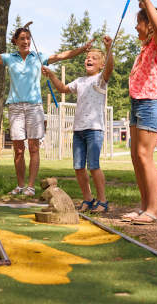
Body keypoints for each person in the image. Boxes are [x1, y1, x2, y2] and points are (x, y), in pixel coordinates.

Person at [0, 22, 92, 196]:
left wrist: (82, 48)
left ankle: (30, 187)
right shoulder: (9, 58)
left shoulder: (38, 56)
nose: (26, 41)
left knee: (33, 148)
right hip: (15, 107)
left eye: (28, 38)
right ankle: (20, 185)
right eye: (22, 38)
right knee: (18, 149)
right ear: (15, 41)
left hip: (34, 107)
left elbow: (62, 56)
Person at [121, 0, 157, 225]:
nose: (135, 26)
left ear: (150, 27)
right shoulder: (144, 48)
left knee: (145, 155)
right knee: (136, 156)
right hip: (137, 104)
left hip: (150, 103)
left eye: (139, 22)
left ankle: (153, 210)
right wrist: (140, 2)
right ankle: (144, 207)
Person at [42, 36, 114, 213]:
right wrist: (51, 75)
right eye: (87, 58)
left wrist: (109, 48)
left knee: (94, 166)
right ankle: (88, 200)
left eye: (94, 59)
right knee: (78, 167)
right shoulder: (80, 81)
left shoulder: (101, 79)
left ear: (100, 65)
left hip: (94, 129)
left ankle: (102, 201)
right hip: (79, 130)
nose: (89, 59)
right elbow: (63, 89)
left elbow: (110, 67)